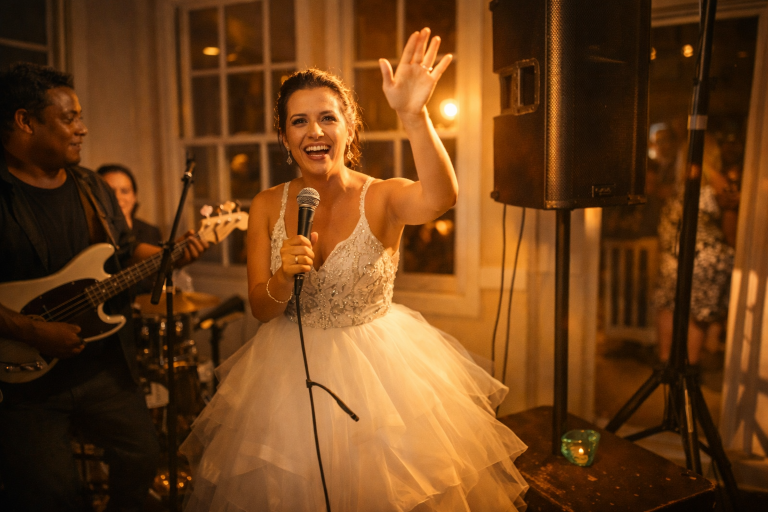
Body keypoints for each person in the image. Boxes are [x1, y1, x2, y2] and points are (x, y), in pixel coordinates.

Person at [180, 28, 528, 511]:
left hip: (379, 378)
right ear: (284, 136)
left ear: (349, 126)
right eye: (299, 121)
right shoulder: (264, 205)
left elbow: (440, 198)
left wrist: (414, 115)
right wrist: (282, 278)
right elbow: (260, 308)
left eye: (328, 117)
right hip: (285, 382)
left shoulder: (381, 196)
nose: (314, 132)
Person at [0, 62, 207, 511]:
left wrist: (174, 254)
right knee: (51, 494)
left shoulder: (92, 186)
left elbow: (124, 252)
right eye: (68, 118)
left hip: (103, 368)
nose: (83, 128)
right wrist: (34, 331)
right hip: (25, 383)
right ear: (25, 121)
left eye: (80, 117)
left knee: (143, 458)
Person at [654, 132, 739, 367]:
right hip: (697, 258)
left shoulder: (679, 185)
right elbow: (730, 231)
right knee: (694, 312)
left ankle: (669, 363)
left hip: (676, 256)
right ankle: (688, 365)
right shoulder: (714, 186)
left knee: (670, 308)